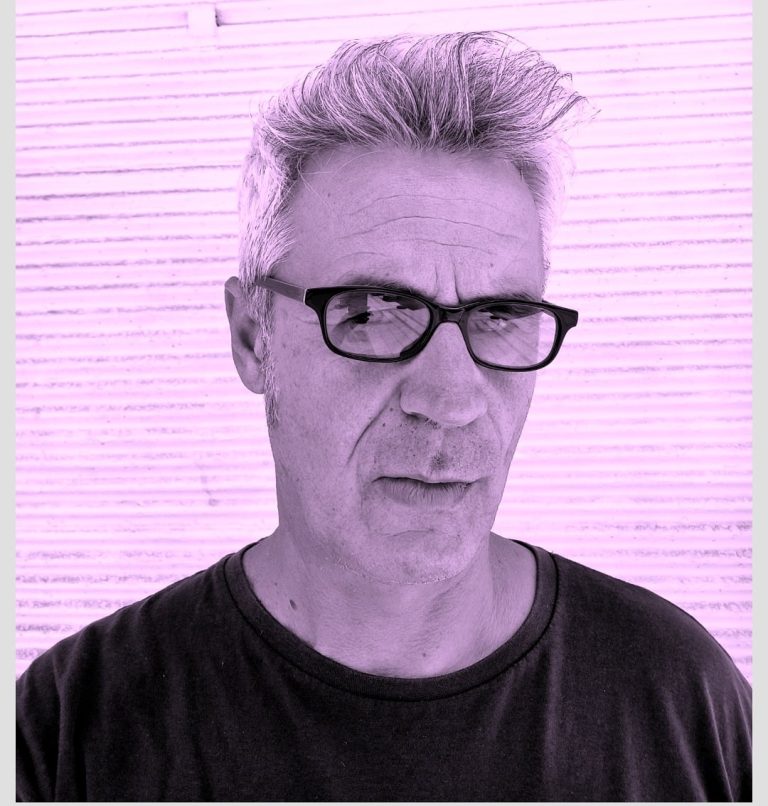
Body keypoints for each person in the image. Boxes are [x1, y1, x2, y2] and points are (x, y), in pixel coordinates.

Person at [16, 32, 751, 802]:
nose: (452, 401)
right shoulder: (71, 731)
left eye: (499, 315)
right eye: (371, 313)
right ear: (252, 337)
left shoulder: (683, 703)